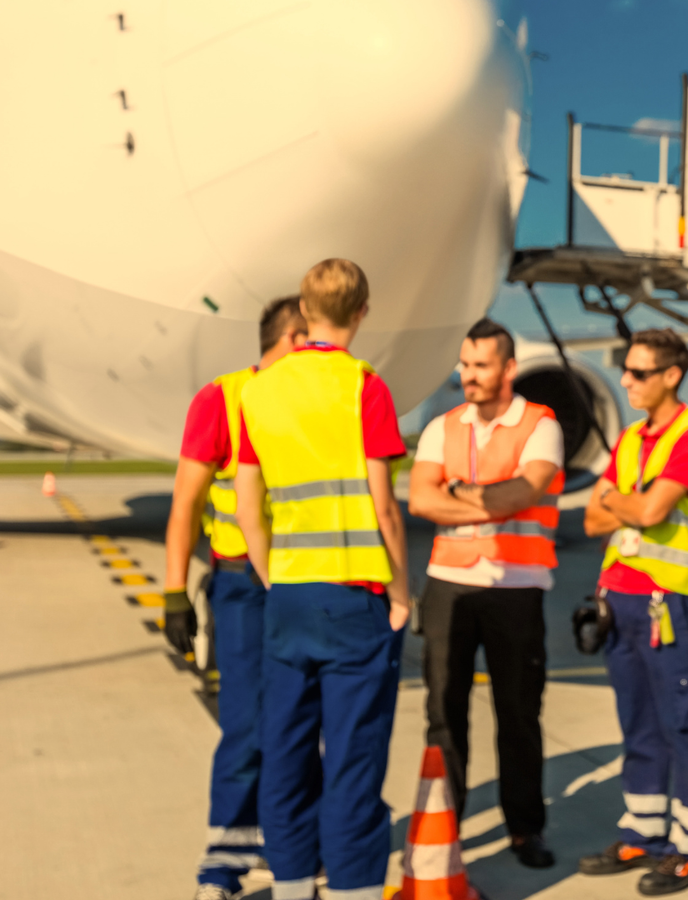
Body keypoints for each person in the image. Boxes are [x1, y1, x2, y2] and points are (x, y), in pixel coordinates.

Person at [234, 258, 411, 900]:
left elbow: (247, 508)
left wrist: (274, 576)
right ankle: (353, 889)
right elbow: (384, 507)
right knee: (353, 761)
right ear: (362, 312)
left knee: (284, 752)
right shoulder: (364, 386)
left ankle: (290, 885)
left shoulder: (258, 391)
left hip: (287, 596)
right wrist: (401, 591)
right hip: (354, 599)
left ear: (303, 313)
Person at [162, 295, 307, 900]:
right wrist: (174, 591)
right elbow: (187, 502)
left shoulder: (314, 396)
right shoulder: (222, 399)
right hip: (243, 585)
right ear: (294, 338)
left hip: (305, 582)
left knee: (298, 725)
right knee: (245, 726)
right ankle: (221, 867)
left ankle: (287, 847)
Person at [407, 318, 565, 869]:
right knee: (443, 713)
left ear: (509, 368)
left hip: (517, 587)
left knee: (518, 714)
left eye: (480, 366)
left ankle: (524, 828)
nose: (467, 375)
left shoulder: (540, 424)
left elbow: (526, 492)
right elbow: (420, 501)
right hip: (448, 585)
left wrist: (459, 492)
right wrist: (489, 498)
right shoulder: (442, 426)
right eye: (465, 364)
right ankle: (445, 827)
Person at [578, 328, 688, 897]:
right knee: (638, 724)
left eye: (638, 372)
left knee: (682, 725)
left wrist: (617, 501)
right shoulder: (631, 438)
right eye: (626, 370)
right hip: (620, 600)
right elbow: (593, 520)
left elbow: (648, 511)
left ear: (671, 375)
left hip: (669, 604)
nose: (625, 381)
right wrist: (626, 506)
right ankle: (643, 831)